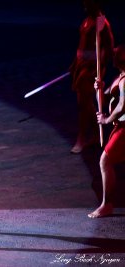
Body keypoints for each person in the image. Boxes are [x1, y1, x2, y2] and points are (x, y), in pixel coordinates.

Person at [69, 0, 114, 153]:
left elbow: (108, 49)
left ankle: (81, 138)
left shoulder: (102, 23)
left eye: (89, 2)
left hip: (91, 69)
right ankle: (95, 134)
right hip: (81, 65)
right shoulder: (87, 20)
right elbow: (82, 45)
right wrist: (75, 63)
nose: (85, 5)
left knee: (83, 104)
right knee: (85, 103)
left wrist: (98, 70)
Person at [88, 45, 125, 218]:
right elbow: (106, 99)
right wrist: (100, 88)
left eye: (118, 53)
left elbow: (121, 107)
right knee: (106, 161)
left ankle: (107, 204)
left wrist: (106, 120)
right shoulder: (120, 78)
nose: (114, 54)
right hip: (120, 126)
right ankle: (107, 204)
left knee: (105, 160)